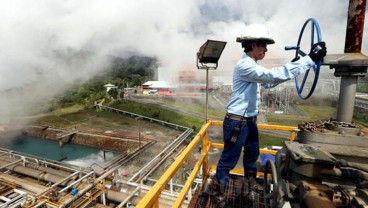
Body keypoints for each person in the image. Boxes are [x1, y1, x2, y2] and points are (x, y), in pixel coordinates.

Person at [209, 36, 327, 206]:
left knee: (252, 155)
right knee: (229, 158)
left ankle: (249, 186)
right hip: (237, 122)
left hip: (249, 121)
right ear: (254, 45)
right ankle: (217, 191)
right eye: (264, 47)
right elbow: (271, 76)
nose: (266, 51)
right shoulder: (245, 66)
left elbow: (269, 83)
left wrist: (296, 65)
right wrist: (308, 60)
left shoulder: (252, 67)